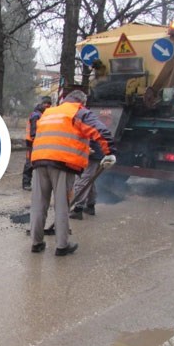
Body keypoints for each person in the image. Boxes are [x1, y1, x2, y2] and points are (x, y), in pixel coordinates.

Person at [29, 89, 116, 256]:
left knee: (39, 204)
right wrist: (109, 152)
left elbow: (57, 136)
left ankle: (36, 243)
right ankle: (62, 246)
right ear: (81, 102)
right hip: (63, 164)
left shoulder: (49, 112)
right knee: (62, 204)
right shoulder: (79, 111)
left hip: (39, 160)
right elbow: (100, 131)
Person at [22, 96, 53, 190]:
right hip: (32, 142)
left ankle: (31, 183)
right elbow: (33, 131)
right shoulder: (36, 115)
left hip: (37, 141)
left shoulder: (41, 114)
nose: (47, 106)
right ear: (42, 104)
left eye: (49, 104)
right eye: (46, 104)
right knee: (30, 162)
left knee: (35, 162)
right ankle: (26, 183)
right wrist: (35, 139)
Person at [69, 140, 104, 220]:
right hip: (96, 153)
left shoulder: (87, 127)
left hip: (90, 154)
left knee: (82, 181)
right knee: (89, 181)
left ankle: (78, 210)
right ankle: (90, 206)